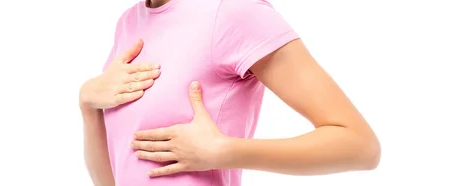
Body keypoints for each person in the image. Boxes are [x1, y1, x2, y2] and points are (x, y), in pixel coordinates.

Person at [78, 0, 381, 185]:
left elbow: (360, 145)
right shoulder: (129, 23)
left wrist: (224, 151)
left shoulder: (235, 11)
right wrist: (88, 103)